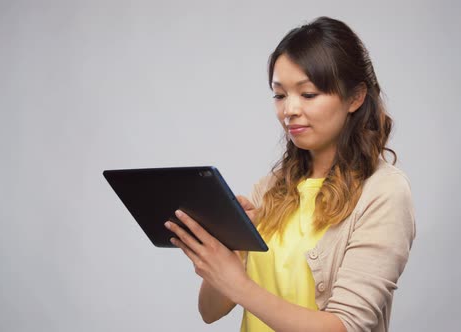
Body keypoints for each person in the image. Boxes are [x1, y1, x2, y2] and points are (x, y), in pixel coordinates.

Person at [164, 16, 416, 332]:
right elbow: (209, 311)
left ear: (355, 97)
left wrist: (239, 284)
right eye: (280, 95)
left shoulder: (384, 192)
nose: (289, 110)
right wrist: (229, 252)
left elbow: (344, 326)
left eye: (308, 94)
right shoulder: (268, 190)